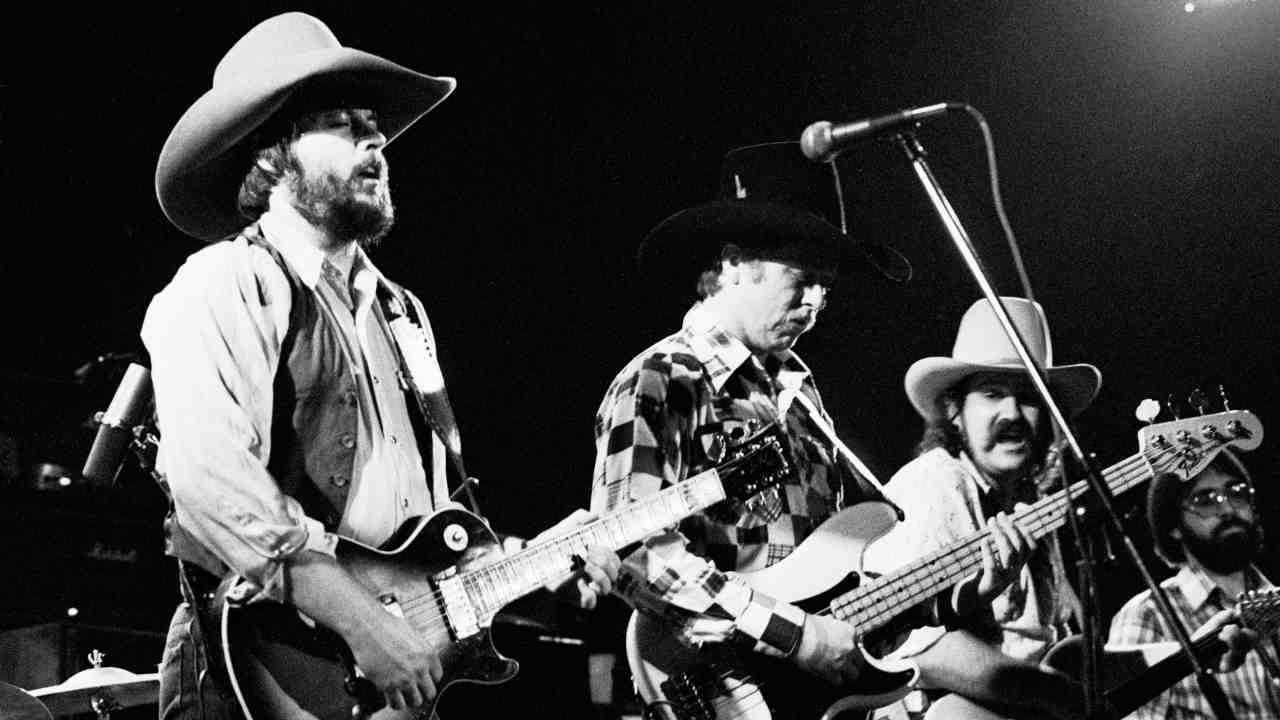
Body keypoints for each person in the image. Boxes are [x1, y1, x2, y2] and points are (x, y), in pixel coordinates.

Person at [144, 12, 617, 720]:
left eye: (373, 123)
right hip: (260, 665)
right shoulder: (223, 283)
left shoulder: (402, 311)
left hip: (387, 679)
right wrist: (364, 625)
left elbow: (422, 533)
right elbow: (208, 481)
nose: (375, 139)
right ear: (272, 155)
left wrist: (530, 558)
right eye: (340, 122)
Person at [590, 140, 916, 698]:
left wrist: (954, 593)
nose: (814, 303)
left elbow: (833, 579)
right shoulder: (664, 378)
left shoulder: (801, 392)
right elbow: (630, 549)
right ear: (736, 263)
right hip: (716, 685)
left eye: (826, 288)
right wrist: (795, 634)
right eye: (801, 278)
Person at [861, 297, 1256, 720]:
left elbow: (1066, 662)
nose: (1012, 414)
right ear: (954, 411)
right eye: (992, 393)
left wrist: (1192, 651)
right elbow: (913, 643)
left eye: (1029, 397)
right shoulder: (935, 482)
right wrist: (1054, 695)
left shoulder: (1036, 508)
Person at [1107, 450, 1280, 718]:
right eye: (1205, 500)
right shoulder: (1148, 615)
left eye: (1236, 492)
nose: (1227, 508)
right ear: (1173, 525)